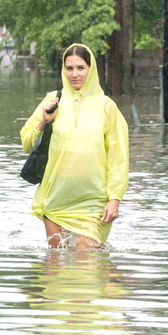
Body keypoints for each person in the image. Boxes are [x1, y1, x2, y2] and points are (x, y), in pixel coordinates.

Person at [20, 43, 129, 250]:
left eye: (80, 68)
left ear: (91, 69)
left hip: (93, 203)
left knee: (85, 266)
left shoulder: (107, 107)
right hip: (56, 199)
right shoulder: (53, 100)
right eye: (69, 68)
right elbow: (26, 142)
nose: (74, 74)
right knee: (54, 269)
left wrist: (115, 198)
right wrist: (43, 121)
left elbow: (118, 158)